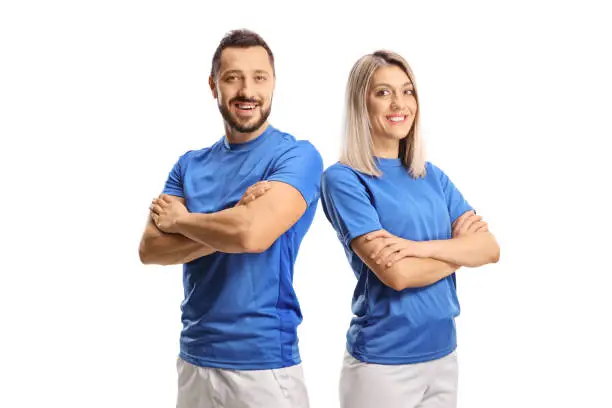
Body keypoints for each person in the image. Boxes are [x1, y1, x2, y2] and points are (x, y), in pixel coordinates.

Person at [138, 29, 322, 408]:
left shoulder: (297, 158)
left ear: (273, 83)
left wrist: (182, 221)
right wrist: (234, 218)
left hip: (264, 365)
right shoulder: (188, 165)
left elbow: (252, 235)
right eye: (232, 77)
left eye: (259, 77)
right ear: (213, 85)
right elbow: (151, 249)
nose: (247, 91)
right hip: (194, 360)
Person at [320, 50, 500, 408]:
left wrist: (421, 248)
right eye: (383, 92)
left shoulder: (431, 176)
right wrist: (457, 250)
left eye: (407, 91)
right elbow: (398, 275)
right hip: (383, 365)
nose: (399, 103)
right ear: (361, 103)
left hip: (444, 355)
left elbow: (490, 249)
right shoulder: (344, 179)